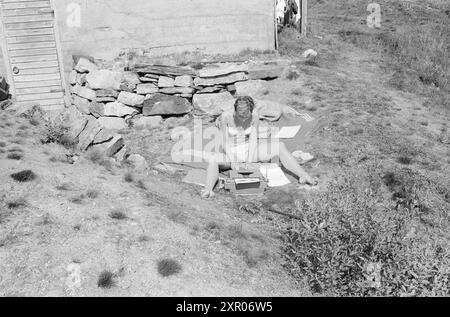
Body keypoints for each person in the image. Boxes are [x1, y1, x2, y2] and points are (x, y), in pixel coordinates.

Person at [201, 96, 317, 199]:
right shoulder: (225, 116)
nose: (242, 118)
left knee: (279, 146)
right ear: (235, 110)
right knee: (213, 160)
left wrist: (249, 160)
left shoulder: (255, 115)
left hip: (248, 149)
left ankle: (303, 175)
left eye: (246, 115)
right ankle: (208, 189)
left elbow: (253, 138)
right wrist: (233, 160)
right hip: (231, 152)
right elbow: (225, 141)